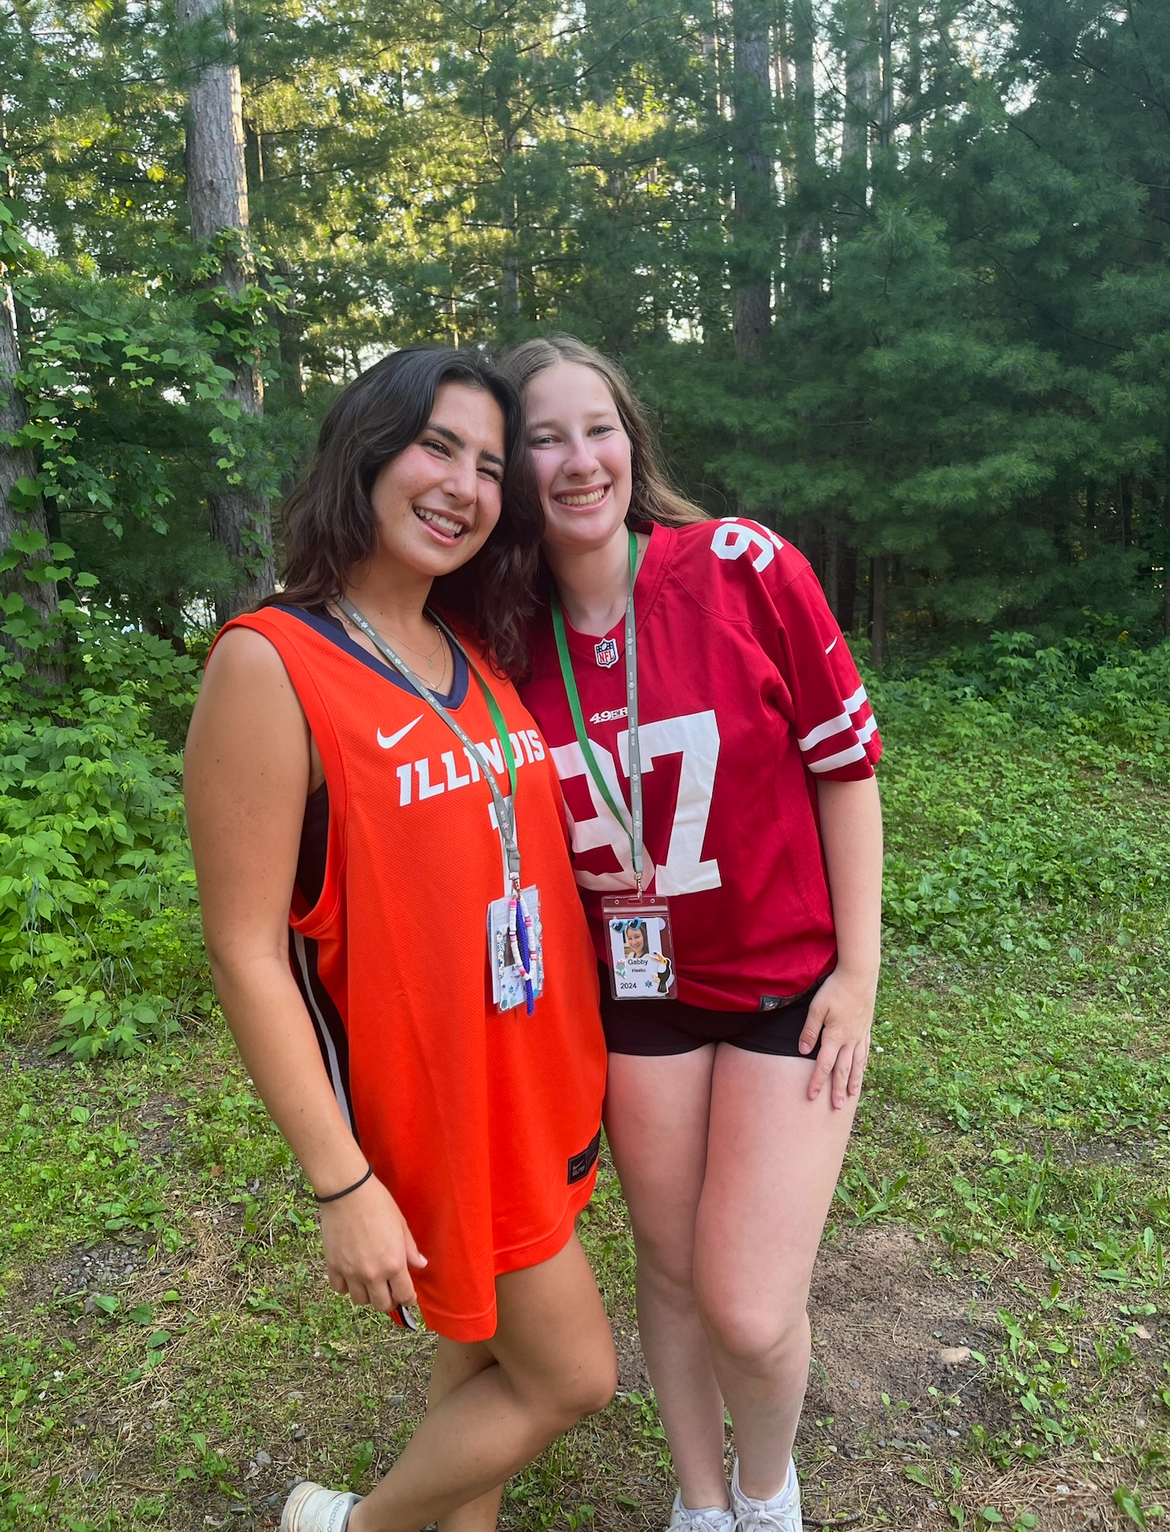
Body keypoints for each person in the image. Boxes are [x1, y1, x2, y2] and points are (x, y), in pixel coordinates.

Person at [184, 345, 616, 1532]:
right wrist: (343, 1181)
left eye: (488, 463)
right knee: (571, 1374)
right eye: (438, 445)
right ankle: (353, 1526)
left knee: (481, 1353)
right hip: (436, 1117)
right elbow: (245, 951)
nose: (464, 485)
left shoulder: (464, 643)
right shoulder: (270, 662)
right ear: (368, 449)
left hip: (532, 1084)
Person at [499, 336, 883, 1532]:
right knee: (668, 1268)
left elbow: (844, 765)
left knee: (749, 1305)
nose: (578, 460)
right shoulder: (498, 632)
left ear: (633, 439)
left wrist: (860, 972)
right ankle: (702, 1500)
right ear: (510, 466)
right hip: (636, 997)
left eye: (598, 427)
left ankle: (768, 1492)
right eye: (544, 437)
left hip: (782, 983)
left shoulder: (740, 567)